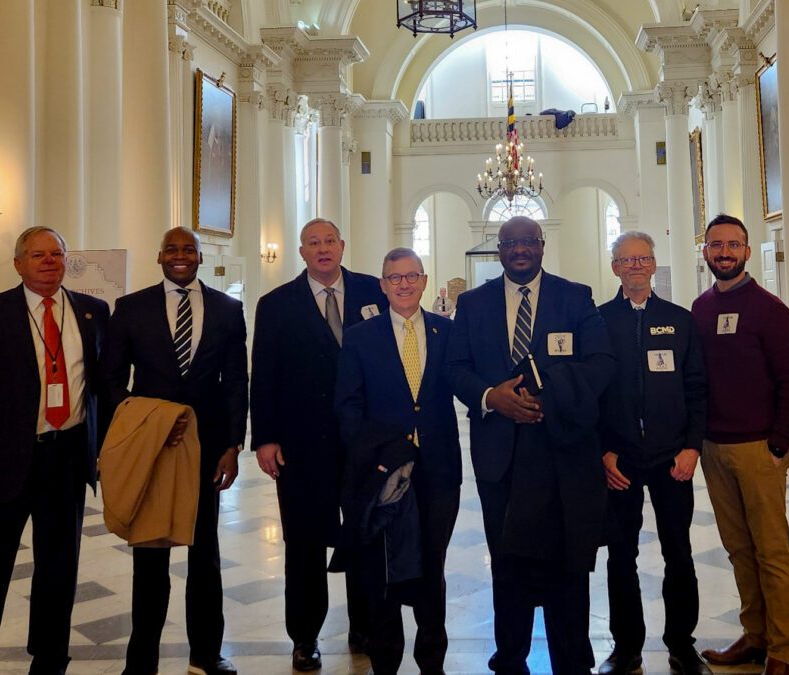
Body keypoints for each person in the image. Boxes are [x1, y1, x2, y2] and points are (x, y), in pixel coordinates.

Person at [447, 215, 615, 674]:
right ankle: (510, 657)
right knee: (507, 564)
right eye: (509, 243)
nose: (519, 250)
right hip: (500, 455)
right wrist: (491, 398)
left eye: (528, 242)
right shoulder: (473, 303)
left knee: (566, 563)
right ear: (497, 250)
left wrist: (547, 396)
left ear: (542, 246)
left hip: (562, 452)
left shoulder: (575, 297)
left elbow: (601, 364)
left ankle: (572, 660)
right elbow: (456, 367)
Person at [0, 226, 109, 675]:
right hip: (1, 465)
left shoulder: (93, 313)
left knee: (59, 571)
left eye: (56, 254)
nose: (48, 262)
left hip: (67, 459)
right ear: (18, 263)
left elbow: (103, 390)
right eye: (37, 255)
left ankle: (50, 662)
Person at [102, 226, 248, 675]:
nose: (180, 256)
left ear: (201, 258)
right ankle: (141, 661)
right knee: (150, 557)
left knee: (205, 554)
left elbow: (236, 381)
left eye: (189, 250)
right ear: (159, 256)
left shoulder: (228, 309)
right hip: (153, 448)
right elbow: (109, 382)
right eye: (172, 249)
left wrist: (233, 445)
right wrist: (141, 427)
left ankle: (205, 654)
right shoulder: (130, 309)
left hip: (205, 450)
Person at [250, 218, 387, 670]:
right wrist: (265, 437)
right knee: (304, 543)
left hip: (364, 441)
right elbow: (264, 376)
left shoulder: (374, 292)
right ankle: (305, 636)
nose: (323, 249)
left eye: (330, 241)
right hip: (302, 445)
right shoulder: (276, 304)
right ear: (302, 252)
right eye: (314, 243)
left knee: (366, 535)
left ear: (342, 246)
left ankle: (365, 625)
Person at [691, 214, 789, 675]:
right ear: (705, 252)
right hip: (713, 448)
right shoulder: (700, 308)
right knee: (738, 549)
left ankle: (784, 648)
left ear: (746, 250)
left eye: (733, 245)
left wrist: (780, 443)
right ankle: (755, 635)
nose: (724, 252)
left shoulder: (769, 309)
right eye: (716, 244)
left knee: (772, 551)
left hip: (759, 447)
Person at [334, 248, 462, 675]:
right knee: (382, 570)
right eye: (394, 278)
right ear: (383, 284)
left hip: (439, 471)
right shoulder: (359, 337)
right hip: (383, 475)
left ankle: (432, 661)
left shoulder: (448, 332)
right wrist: (377, 458)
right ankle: (385, 661)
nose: (403, 284)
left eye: (411, 276)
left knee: (432, 565)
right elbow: (348, 407)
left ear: (425, 281)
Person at [596, 231, 710, 675]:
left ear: (653, 264)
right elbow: (592, 395)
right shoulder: (599, 321)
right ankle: (626, 649)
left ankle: (682, 644)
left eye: (643, 259)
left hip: (671, 460)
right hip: (619, 461)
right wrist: (603, 452)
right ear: (615, 268)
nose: (636, 267)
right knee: (621, 555)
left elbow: (696, 389)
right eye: (626, 260)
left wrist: (692, 447)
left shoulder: (680, 320)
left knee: (678, 552)